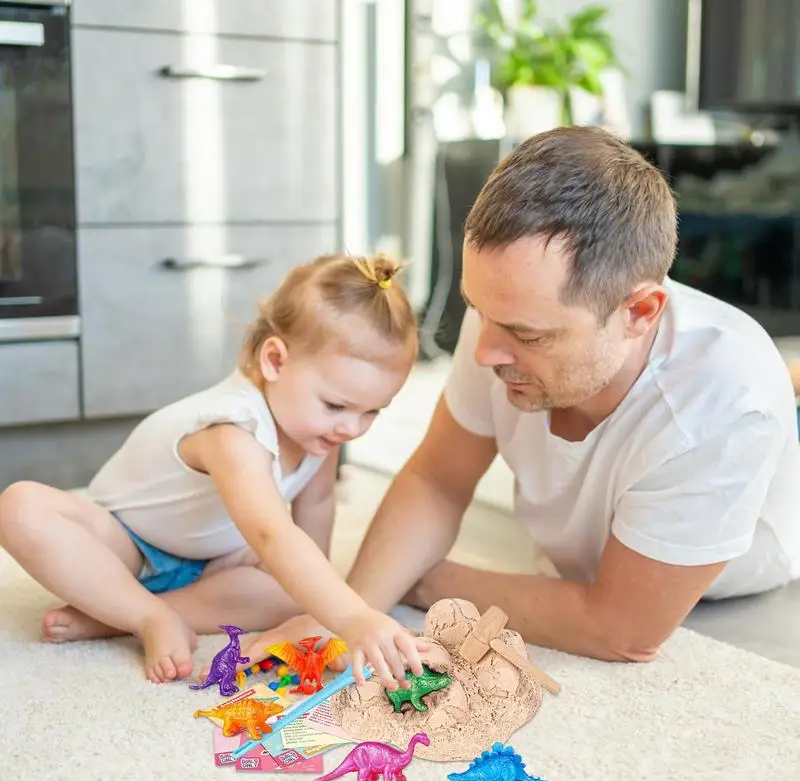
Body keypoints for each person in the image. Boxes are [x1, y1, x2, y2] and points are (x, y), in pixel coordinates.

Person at [239, 126, 800, 666]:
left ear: (639, 313)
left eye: (529, 335)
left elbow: (622, 630)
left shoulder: (724, 399)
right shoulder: (505, 317)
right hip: (579, 552)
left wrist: (428, 579)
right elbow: (438, 479)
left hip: (727, 592)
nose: (485, 353)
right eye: (479, 312)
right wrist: (351, 613)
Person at [0, 253, 426, 687]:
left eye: (371, 411)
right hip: (124, 547)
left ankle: (110, 615)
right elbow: (271, 534)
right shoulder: (233, 429)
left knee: (296, 593)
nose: (351, 428)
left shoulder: (321, 433)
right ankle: (146, 614)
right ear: (275, 361)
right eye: (336, 405)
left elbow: (314, 512)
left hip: (212, 560)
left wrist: (324, 608)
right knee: (21, 508)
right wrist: (355, 616)